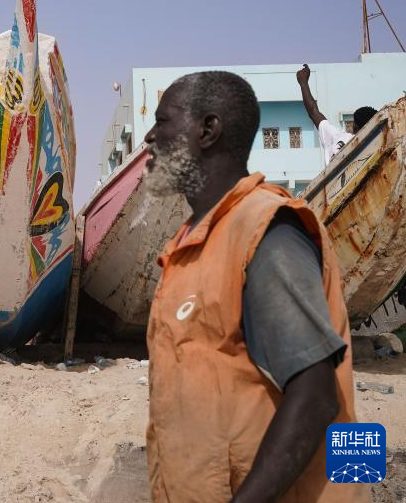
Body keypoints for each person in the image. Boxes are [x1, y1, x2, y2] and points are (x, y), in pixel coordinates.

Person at [142, 71, 366, 502]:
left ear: (208, 130)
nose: (150, 137)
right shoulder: (195, 241)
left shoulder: (265, 230)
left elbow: (315, 396)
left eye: (163, 121)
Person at [297, 64, 377, 164]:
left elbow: (313, 111)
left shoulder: (338, 137)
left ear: (354, 126)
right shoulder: (376, 150)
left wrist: (303, 82)